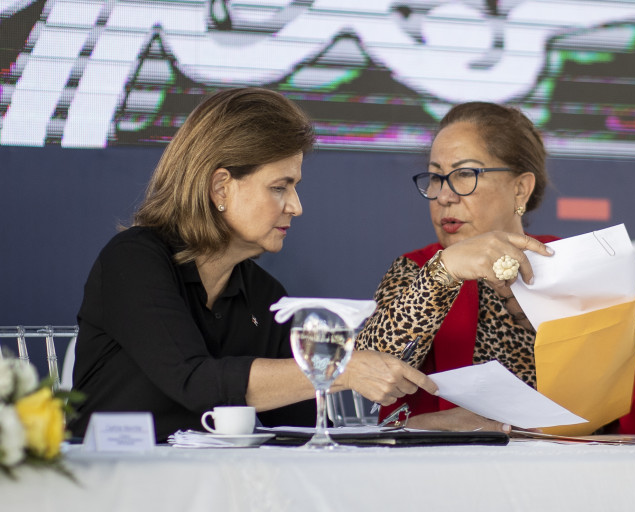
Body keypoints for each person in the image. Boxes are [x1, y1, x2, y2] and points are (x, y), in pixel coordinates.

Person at [70, 87, 436, 441]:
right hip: (108, 476)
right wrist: (341, 369)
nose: (296, 206)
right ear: (221, 188)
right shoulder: (133, 259)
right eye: (279, 187)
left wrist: (423, 426)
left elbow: (301, 431)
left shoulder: (264, 294)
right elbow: (193, 380)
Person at [355, 101, 635, 434]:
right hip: (464, 471)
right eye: (436, 177)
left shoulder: (572, 262)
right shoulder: (419, 270)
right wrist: (445, 272)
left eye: (465, 174)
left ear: (520, 189)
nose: (445, 196)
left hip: (589, 469)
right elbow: (368, 367)